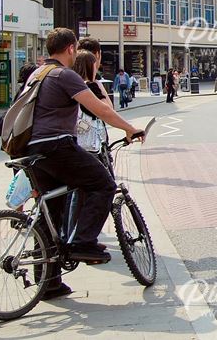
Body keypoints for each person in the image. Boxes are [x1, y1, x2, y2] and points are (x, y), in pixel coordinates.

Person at [26, 28, 145, 299]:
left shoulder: (38, 73)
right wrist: (129, 128)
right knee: (103, 183)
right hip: (57, 146)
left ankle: (49, 283)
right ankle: (84, 243)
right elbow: (100, 109)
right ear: (70, 49)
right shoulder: (64, 75)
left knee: (50, 211)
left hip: (33, 149)